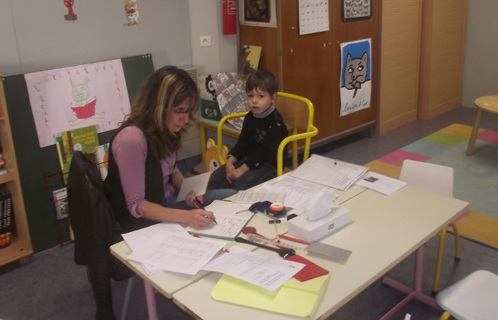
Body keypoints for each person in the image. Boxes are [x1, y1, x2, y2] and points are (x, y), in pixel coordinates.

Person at [104, 66, 236, 233]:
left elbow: (171, 171)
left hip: (166, 199)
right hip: (143, 219)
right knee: (220, 207)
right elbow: (136, 206)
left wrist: (189, 191)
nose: (185, 119)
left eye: (188, 112)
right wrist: (185, 216)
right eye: (179, 111)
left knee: (232, 196)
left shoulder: (164, 128)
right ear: (158, 107)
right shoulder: (131, 139)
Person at [207, 69, 288, 191]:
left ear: (273, 97)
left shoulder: (276, 123)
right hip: (249, 160)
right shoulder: (250, 116)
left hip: (269, 165)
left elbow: (263, 155)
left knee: (240, 186)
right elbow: (242, 144)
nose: (254, 100)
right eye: (250, 96)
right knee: (215, 179)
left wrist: (241, 170)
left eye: (261, 96)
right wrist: (230, 162)